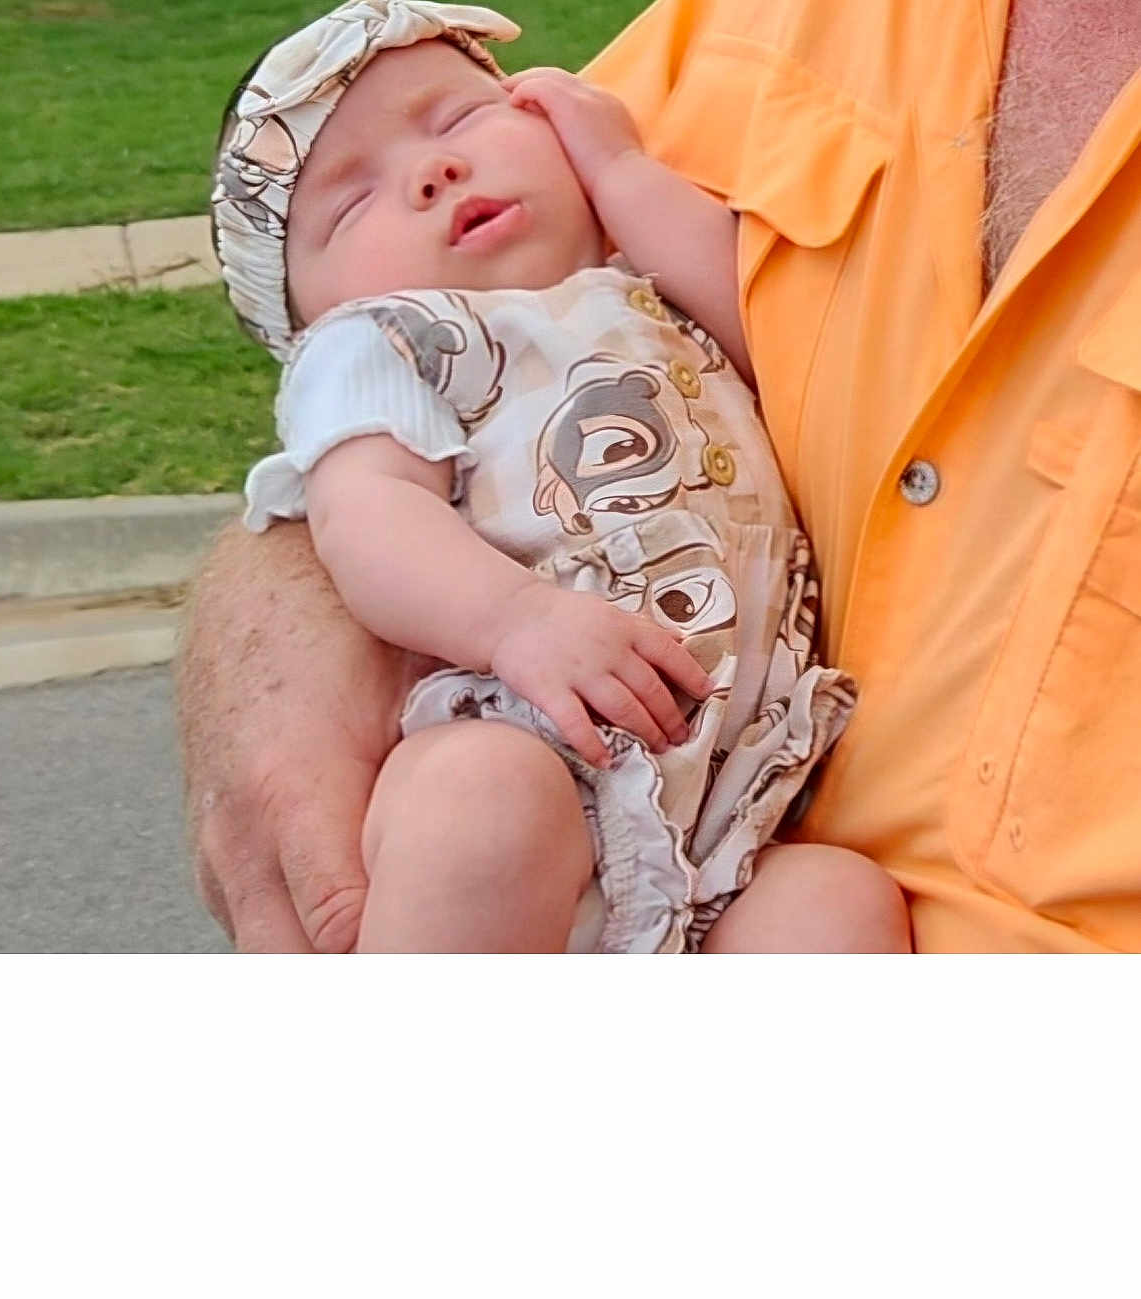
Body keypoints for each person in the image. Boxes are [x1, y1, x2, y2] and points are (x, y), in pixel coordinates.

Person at [178, 0, 1141, 953]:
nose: (433, 171)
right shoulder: (391, 345)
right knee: (478, 803)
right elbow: (367, 516)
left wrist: (622, 171)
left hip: (744, 809)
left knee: (834, 906)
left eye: (460, 118)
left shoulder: (642, 286)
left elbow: (789, 341)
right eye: (351, 203)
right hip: (540, 738)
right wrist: (512, 620)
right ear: (306, 320)